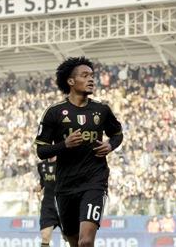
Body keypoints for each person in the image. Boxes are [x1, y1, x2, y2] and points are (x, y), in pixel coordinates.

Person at [34, 57, 123, 247]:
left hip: (94, 181)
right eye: (85, 75)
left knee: (85, 242)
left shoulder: (102, 110)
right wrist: (64, 145)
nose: (91, 79)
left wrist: (110, 145)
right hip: (65, 185)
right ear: (71, 81)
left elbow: (117, 134)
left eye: (92, 75)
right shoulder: (54, 112)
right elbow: (41, 151)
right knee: (74, 242)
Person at [37, 157, 59, 247]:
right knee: (45, 236)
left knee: (69, 237)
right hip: (48, 204)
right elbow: (42, 181)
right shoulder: (41, 165)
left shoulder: (64, 163)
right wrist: (39, 187)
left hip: (63, 203)